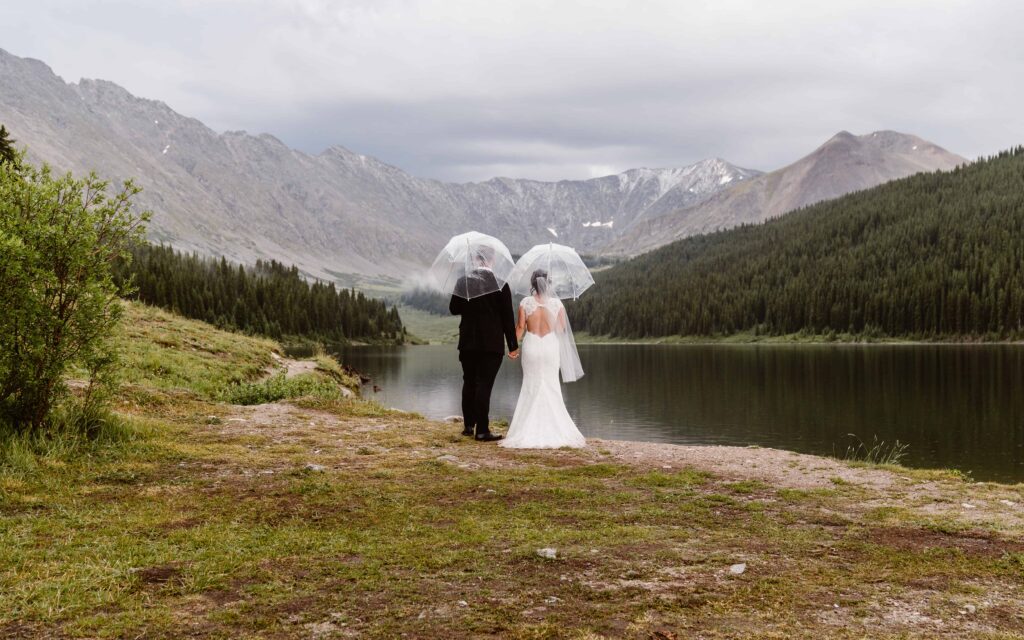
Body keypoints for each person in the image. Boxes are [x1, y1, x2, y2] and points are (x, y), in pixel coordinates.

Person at [501, 270, 586, 449]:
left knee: (530, 385)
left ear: (533, 283)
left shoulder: (526, 302)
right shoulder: (556, 304)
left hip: (532, 346)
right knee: (551, 385)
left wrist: (513, 348)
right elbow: (561, 329)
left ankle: (525, 429)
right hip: (549, 346)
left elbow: (520, 328)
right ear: (548, 283)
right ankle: (555, 428)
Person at [449, 246, 519, 441]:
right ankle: (482, 430)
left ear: (474, 259)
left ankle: (468, 426)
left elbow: (454, 309)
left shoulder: (463, 282)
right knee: (484, 385)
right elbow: (507, 317)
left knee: (469, 381)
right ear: (492, 260)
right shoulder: (500, 284)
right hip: (491, 345)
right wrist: (513, 345)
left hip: (468, 342)